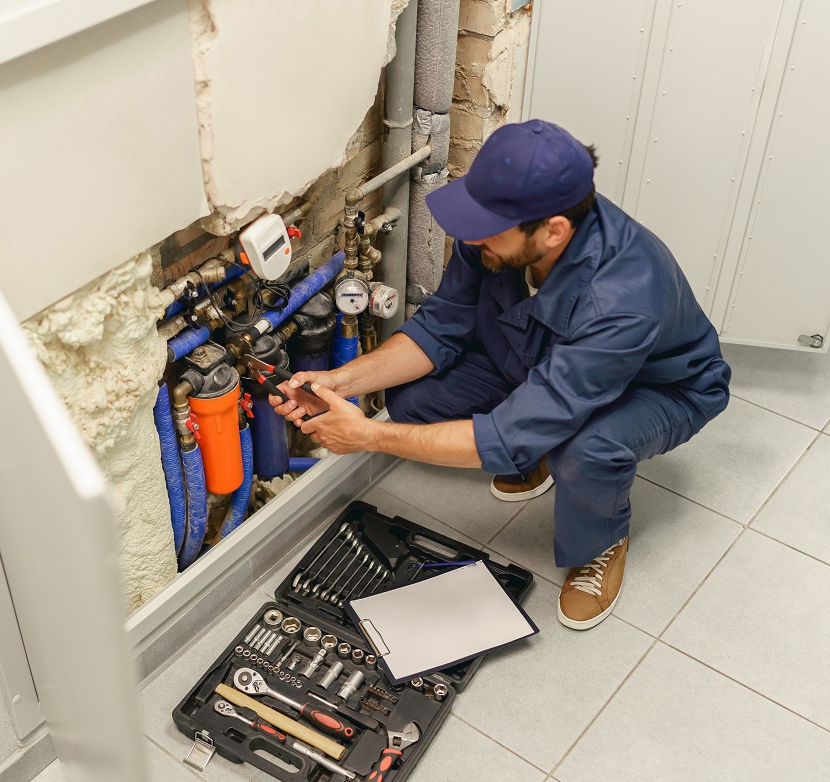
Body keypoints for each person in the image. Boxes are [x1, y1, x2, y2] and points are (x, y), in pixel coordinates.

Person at [270, 120, 731, 630]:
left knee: (584, 448)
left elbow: (510, 434)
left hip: (659, 386)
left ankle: (602, 540)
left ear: (553, 231)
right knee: (413, 399)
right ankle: (538, 451)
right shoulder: (503, 230)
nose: (468, 235)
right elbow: (441, 325)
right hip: (541, 355)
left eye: (485, 225)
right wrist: (343, 381)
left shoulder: (623, 300)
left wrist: (368, 436)